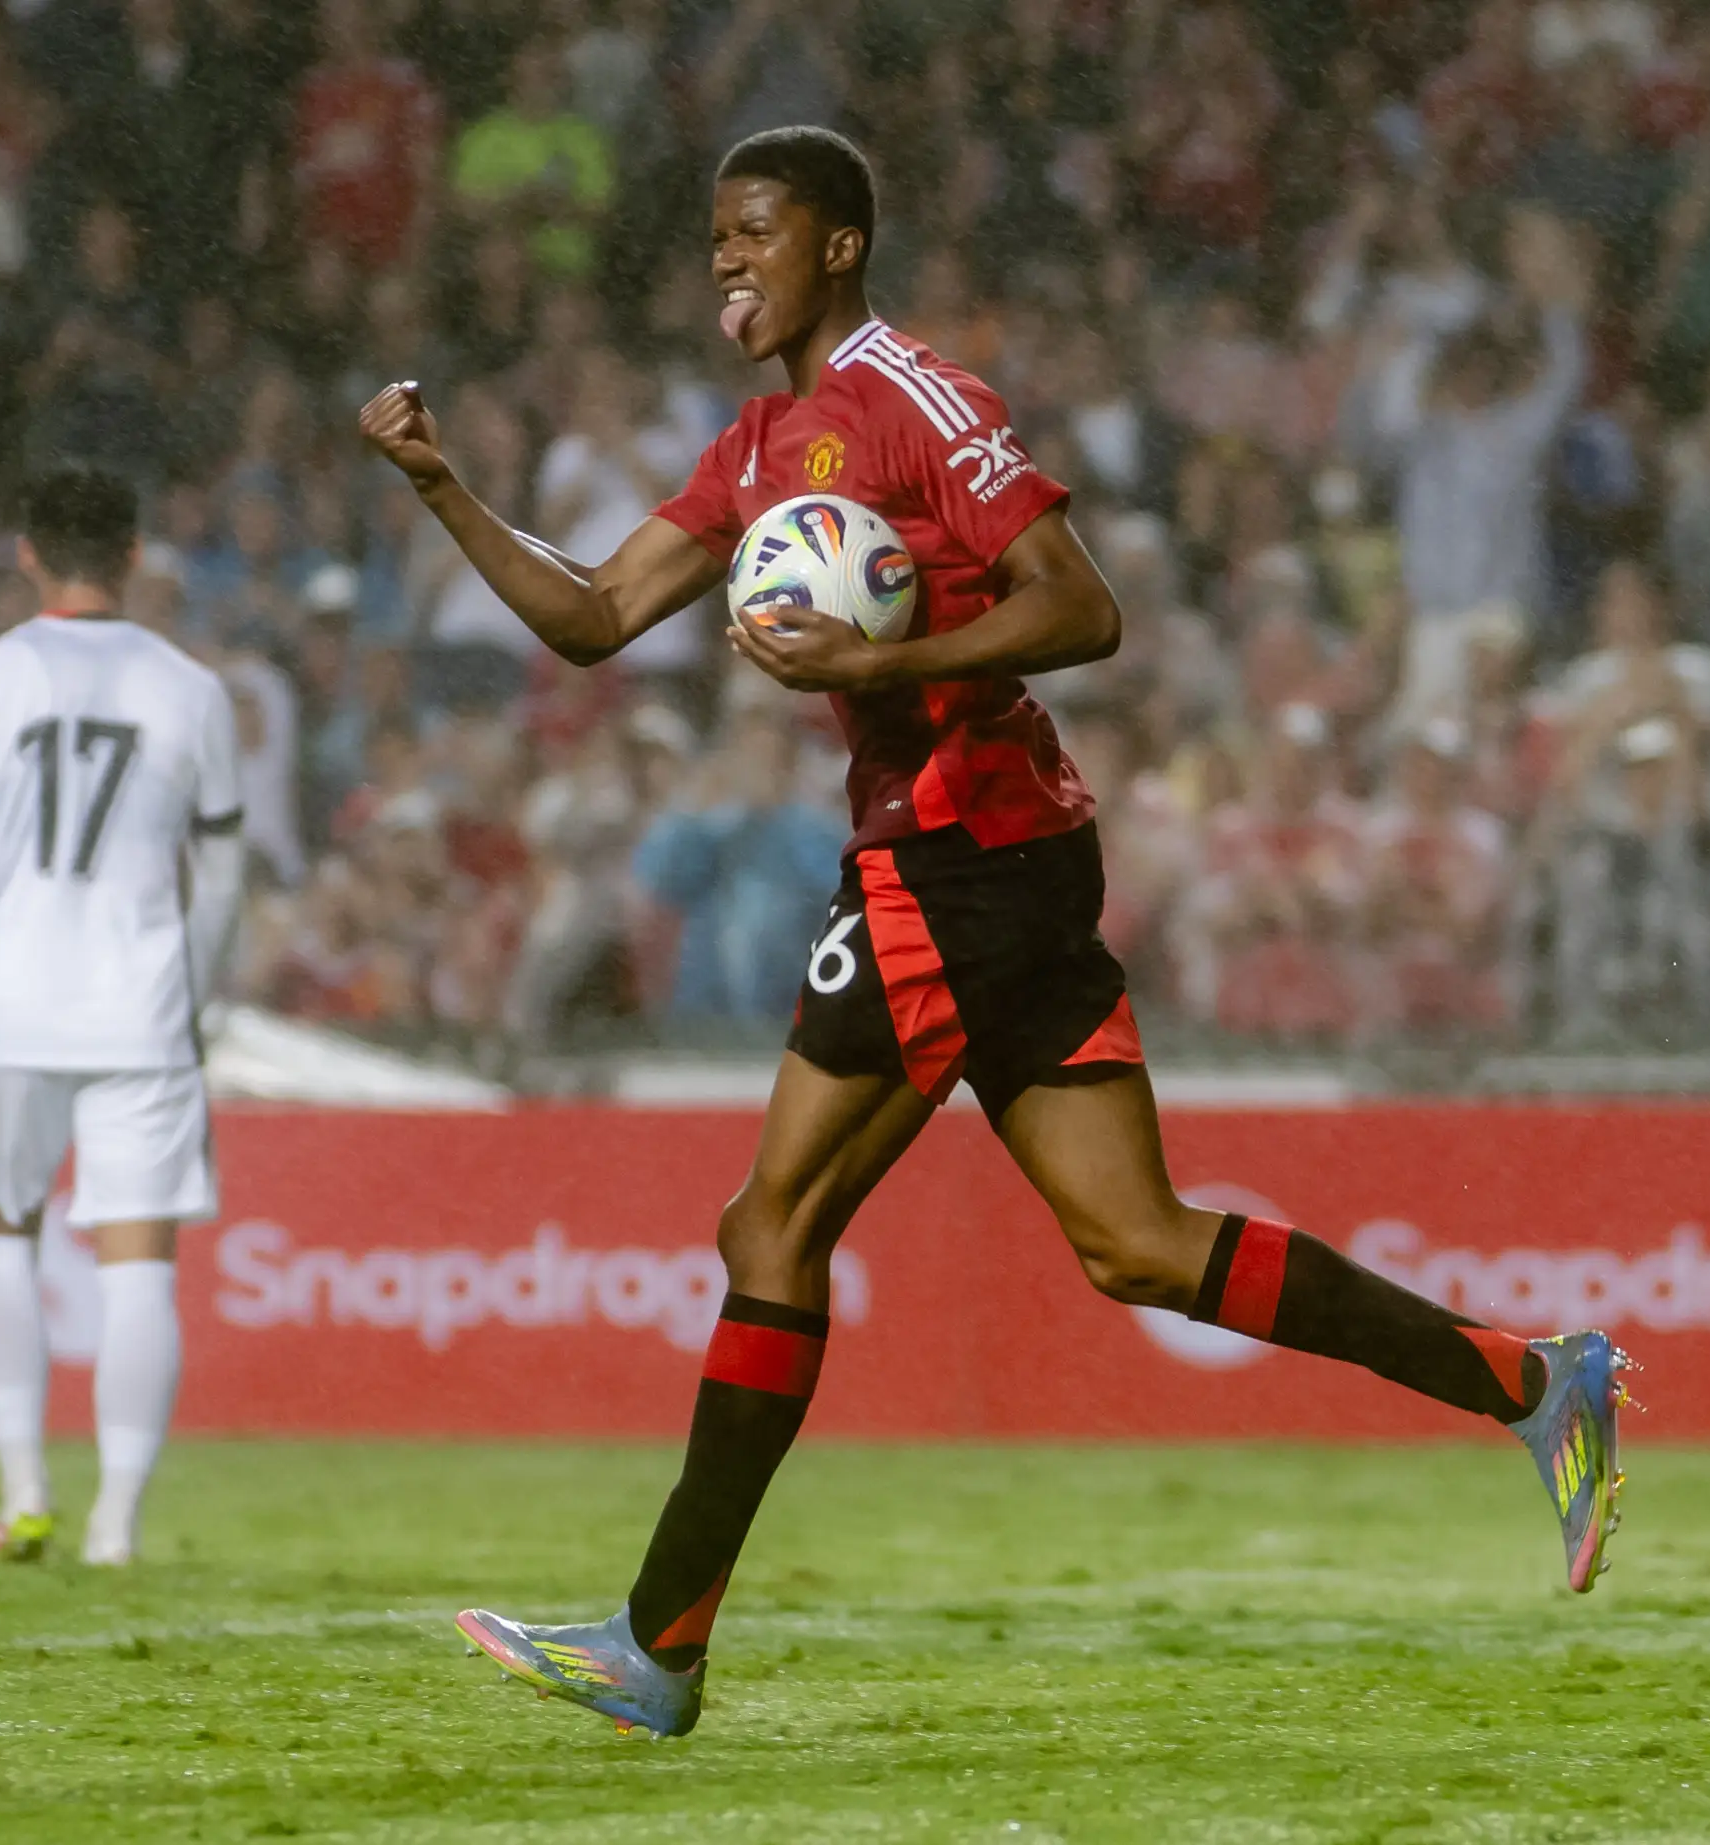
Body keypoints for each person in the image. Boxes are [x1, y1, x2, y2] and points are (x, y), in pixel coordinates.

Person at [359, 126, 1631, 1741]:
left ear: (837, 245)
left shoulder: (915, 398)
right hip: (982, 858)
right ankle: (1530, 1382)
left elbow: (1080, 603)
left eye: (753, 232)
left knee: (770, 1228)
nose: (724, 262)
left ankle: (658, 1642)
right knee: (1138, 1243)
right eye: (709, 241)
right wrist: (438, 486)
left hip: (959, 857)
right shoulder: (756, 447)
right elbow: (596, 617)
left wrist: (868, 668)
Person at [0, 465, 246, 1569]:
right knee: (138, 1263)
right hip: (139, 1007)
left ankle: (24, 1489)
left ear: (28, 555)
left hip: (9, 1007)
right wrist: (193, 992)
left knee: (2, 1231)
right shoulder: (191, 689)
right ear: (136, 555)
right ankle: (117, 1525)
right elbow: (223, 877)